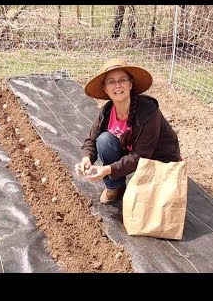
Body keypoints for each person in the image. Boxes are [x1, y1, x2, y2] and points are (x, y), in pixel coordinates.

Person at [75, 58, 181, 204]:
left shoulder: (148, 111)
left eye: (122, 80)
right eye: (111, 81)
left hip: (157, 160)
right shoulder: (106, 111)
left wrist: (107, 169)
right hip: (134, 155)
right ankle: (115, 187)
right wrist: (86, 158)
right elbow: (92, 140)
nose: (117, 85)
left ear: (130, 84)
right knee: (104, 140)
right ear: (105, 89)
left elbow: (142, 156)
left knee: (147, 203)